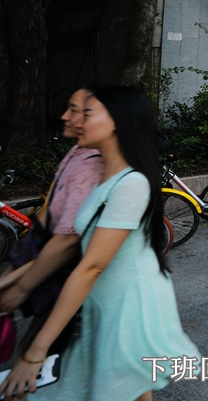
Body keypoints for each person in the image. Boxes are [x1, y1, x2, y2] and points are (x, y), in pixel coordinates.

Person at [0, 84, 199, 401]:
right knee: (127, 389)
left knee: (118, 387)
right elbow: (78, 243)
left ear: (117, 122)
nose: (77, 121)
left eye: (88, 114)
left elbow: (91, 266)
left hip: (128, 305)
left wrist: (36, 352)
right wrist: (16, 278)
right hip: (105, 302)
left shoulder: (131, 183)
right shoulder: (105, 173)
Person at [0, 85, 106, 353]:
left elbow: (67, 240)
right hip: (52, 267)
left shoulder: (93, 165)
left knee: (45, 353)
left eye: (76, 111)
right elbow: (47, 222)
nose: (65, 116)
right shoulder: (78, 152)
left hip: (70, 281)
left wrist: (22, 287)